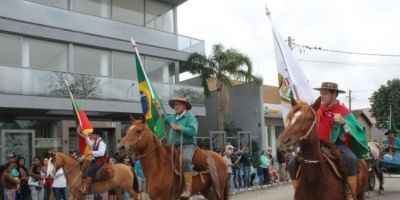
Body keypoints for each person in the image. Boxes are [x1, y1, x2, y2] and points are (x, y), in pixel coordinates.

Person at [288, 82, 368, 200]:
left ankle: (351, 193)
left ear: (334, 94)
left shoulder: (343, 111)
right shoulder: (316, 109)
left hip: (336, 144)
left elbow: (357, 131)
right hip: (317, 144)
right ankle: (297, 190)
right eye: (321, 93)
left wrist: (344, 122)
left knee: (351, 159)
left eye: (325, 94)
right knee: (292, 163)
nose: (321, 96)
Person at [153, 96, 198, 198]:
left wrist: (179, 128)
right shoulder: (172, 118)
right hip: (172, 146)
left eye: (178, 104)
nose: (175, 106)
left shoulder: (190, 117)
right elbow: (163, 116)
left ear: (184, 106)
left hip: (187, 145)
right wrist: (157, 106)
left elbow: (193, 131)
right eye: (175, 104)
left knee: (185, 159)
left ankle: (188, 189)